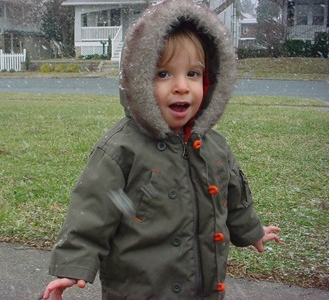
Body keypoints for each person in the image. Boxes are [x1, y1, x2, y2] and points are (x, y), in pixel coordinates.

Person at [43, 0, 281, 299]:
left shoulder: (215, 144)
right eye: (164, 74)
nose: (182, 86)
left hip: (204, 287)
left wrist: (250, 231)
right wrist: (72, 266)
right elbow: (91, 213)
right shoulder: (120, 149)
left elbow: (232, 196)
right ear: (138, 80)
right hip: (141, 289)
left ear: (209, 80)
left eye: (192, 74)